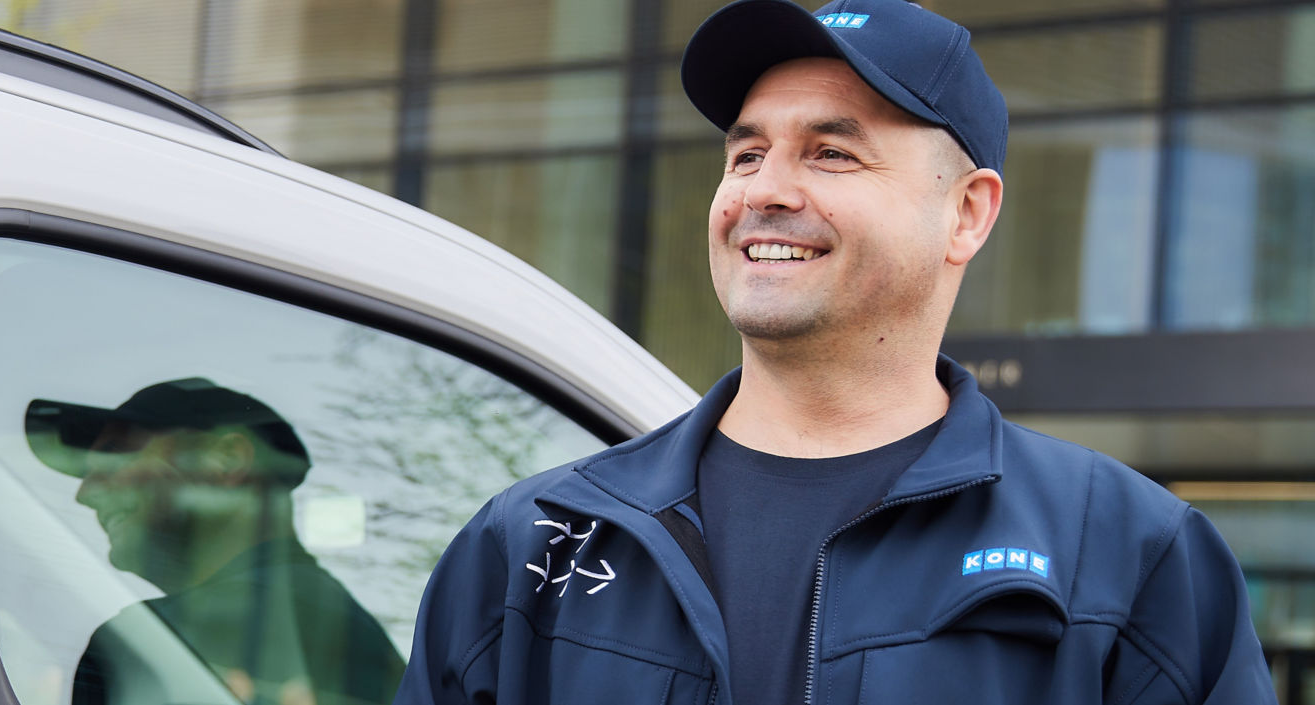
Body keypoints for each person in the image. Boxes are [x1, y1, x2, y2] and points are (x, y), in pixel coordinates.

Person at [393, 1, 1276, 704]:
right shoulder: (537, 541)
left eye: (831, 153)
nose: (765, 190)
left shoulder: (1130, 555)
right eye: (747, 153)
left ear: (967, 213)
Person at [25, 378, 405, 705]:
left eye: (114, 453)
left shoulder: (153, 642)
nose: (85, 493)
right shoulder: (345, 629)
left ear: (227, 460)